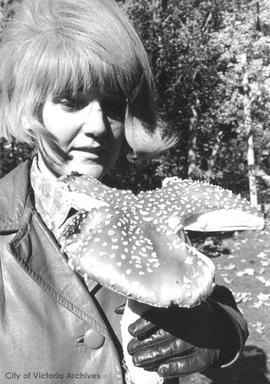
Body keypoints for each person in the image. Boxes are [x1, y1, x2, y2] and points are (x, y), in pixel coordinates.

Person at [0, 0, 248, 383]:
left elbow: (204, 295)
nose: (99, 126)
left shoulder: (146, 209)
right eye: (72, 101)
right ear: (28, 111)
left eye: (114, 106)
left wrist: (224, 331)